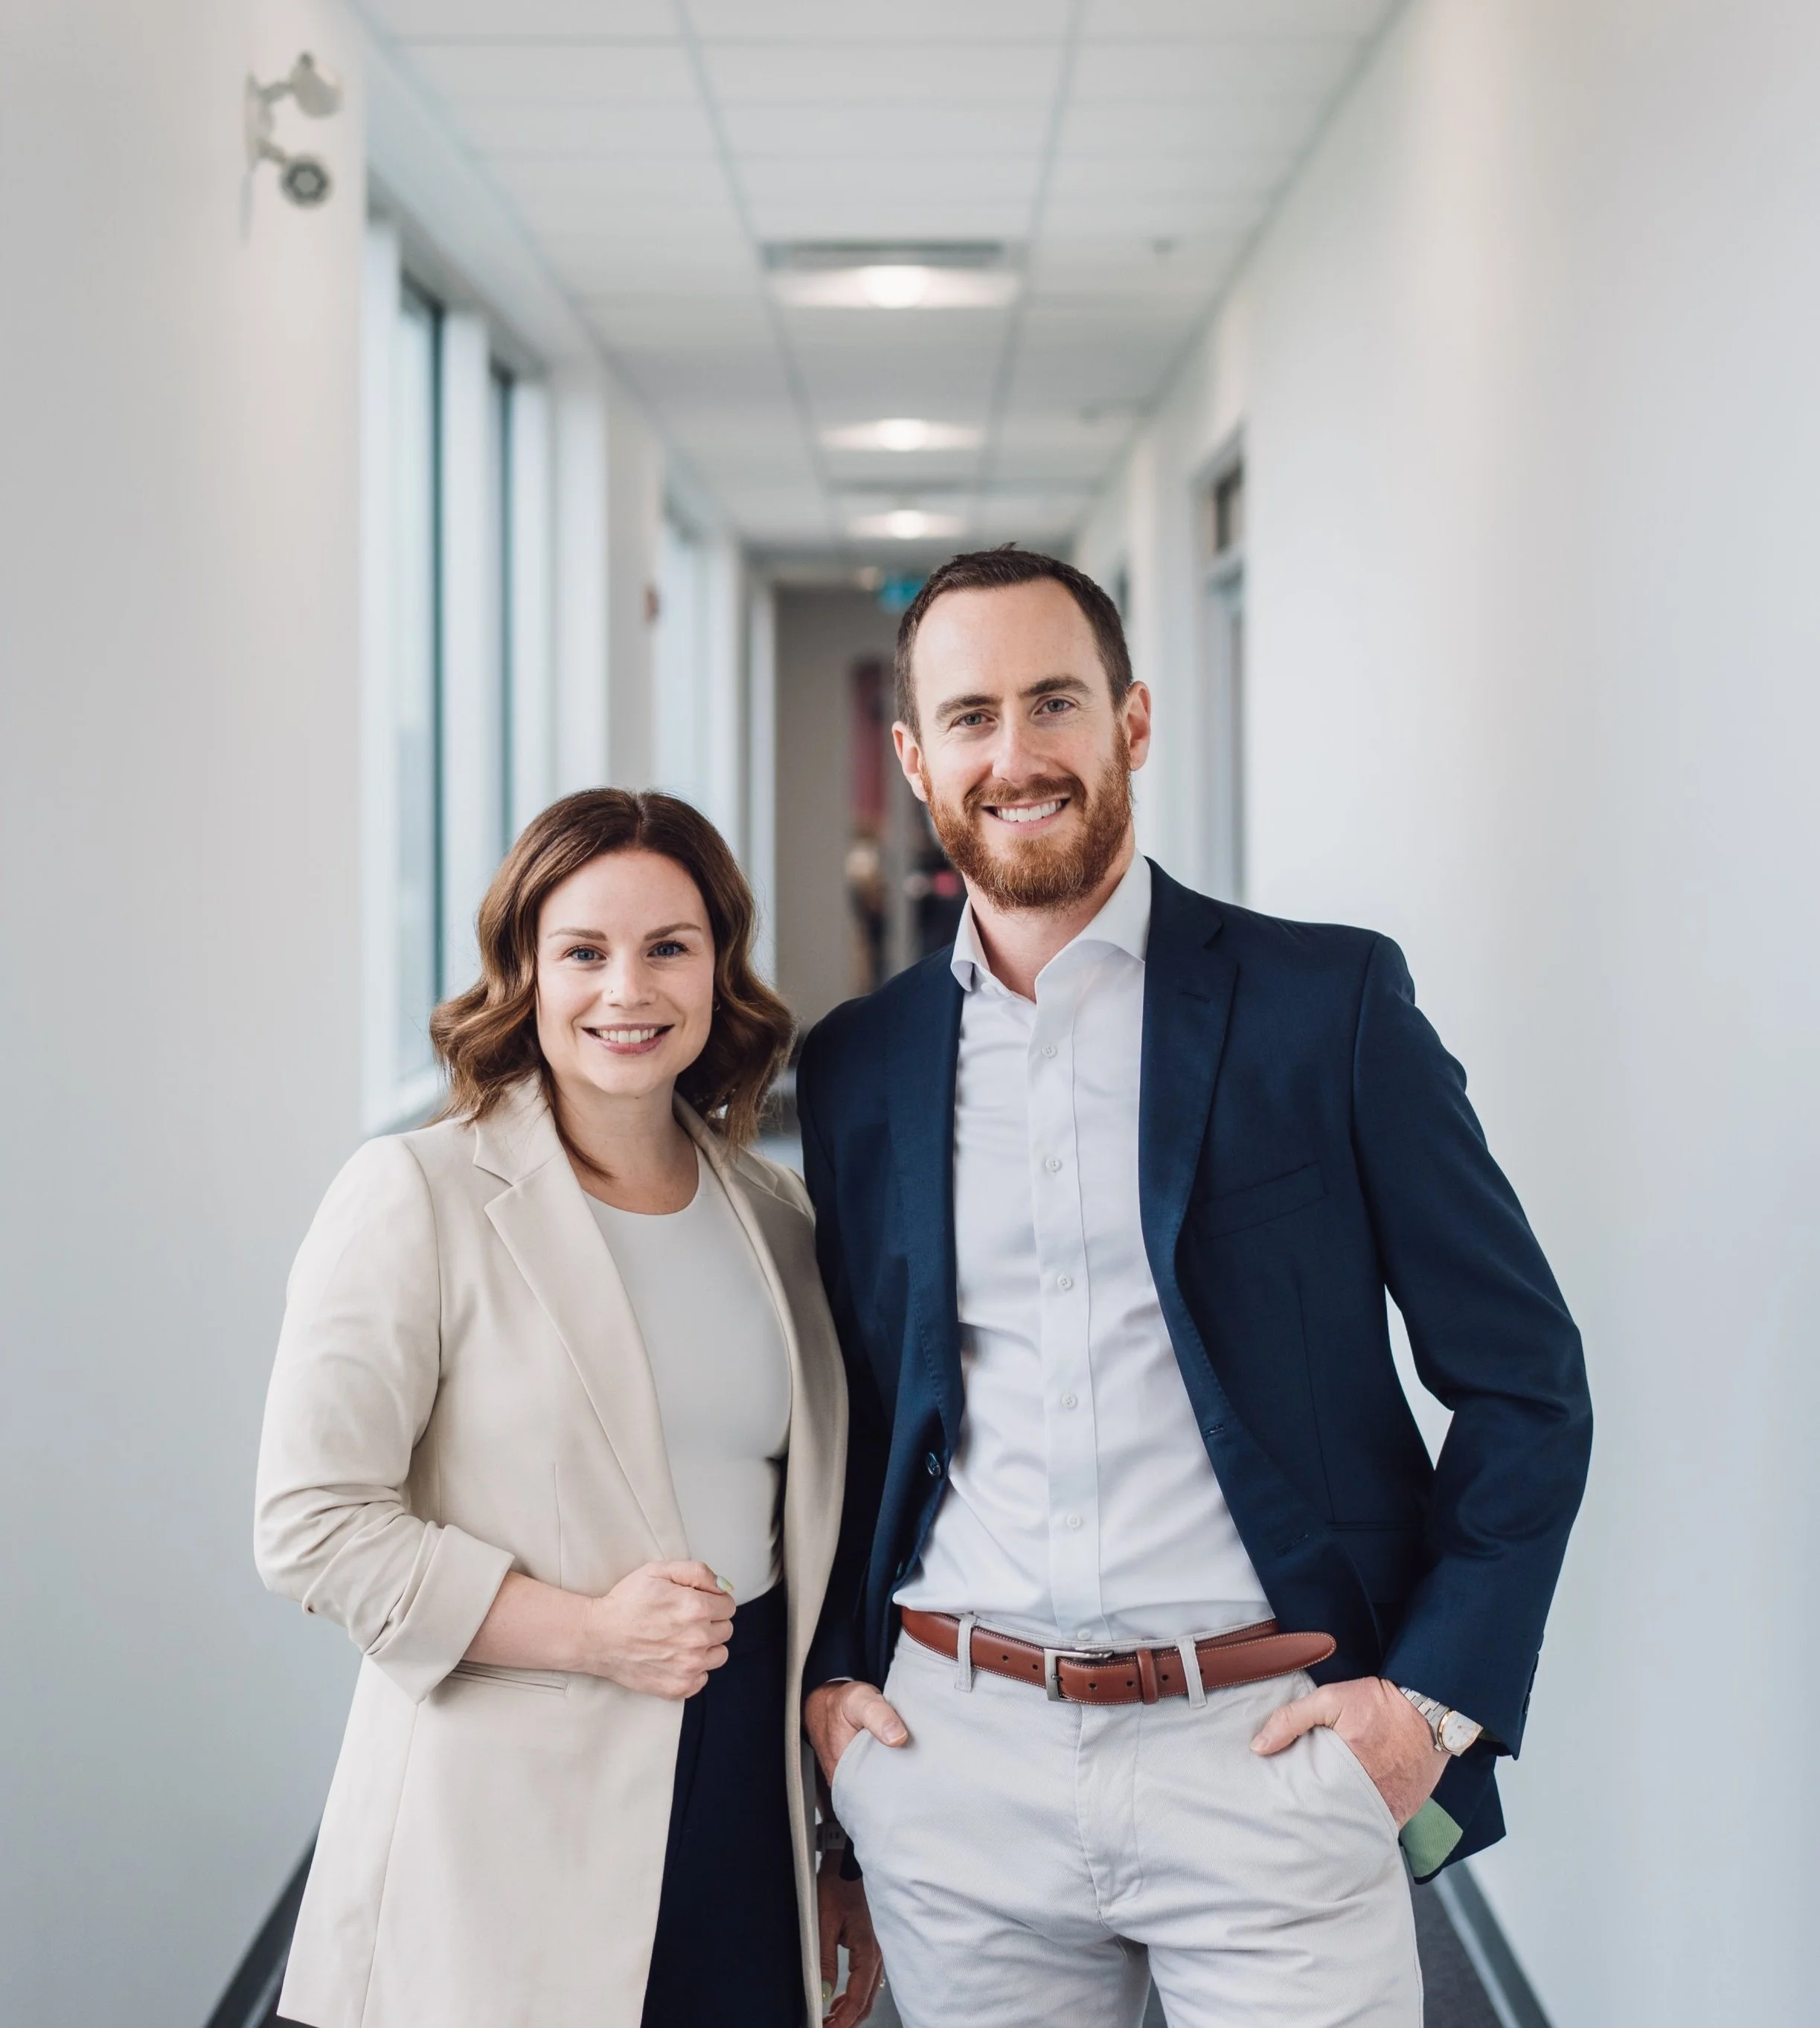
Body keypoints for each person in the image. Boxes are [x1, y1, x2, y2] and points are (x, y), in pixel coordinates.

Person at [796, 548, 1592, 2028]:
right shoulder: (853, 1066)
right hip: (953, 1759)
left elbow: (1524, 1379)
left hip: (1266, 1747)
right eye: (968, 717)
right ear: (914, 760)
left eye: (1054, 703)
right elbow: (852, 1402)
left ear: (1133, 722)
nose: (1015, 755)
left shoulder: (1327, 1005)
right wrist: (835, 1708)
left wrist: (1427, 1704)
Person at [256, 789, 881, 2028]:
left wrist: (832, 1848)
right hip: (503, 1819)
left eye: (668, 947)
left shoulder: (777, 1219)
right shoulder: (415, 1195)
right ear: (524, 972)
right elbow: (312, 1523)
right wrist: (592, 1633)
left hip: (743, 1799)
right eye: (583, 951)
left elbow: (809, 1531)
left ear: (718, 967)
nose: (626, 990)